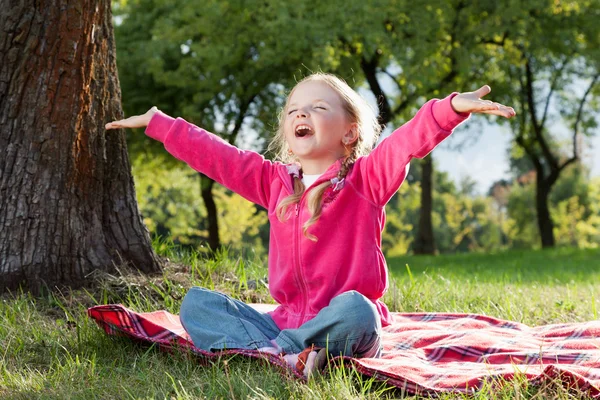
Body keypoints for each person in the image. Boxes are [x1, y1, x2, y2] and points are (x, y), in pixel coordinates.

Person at [106, 73, 515, 377]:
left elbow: (404, 143)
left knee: (360, 312)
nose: (302, 112)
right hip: (284, 321)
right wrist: (161, 123)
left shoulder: (365, 181)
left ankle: (269, 354)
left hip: (341, 324)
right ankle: (288, 355)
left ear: (350, 132)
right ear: (287, 131)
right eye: (294, 109)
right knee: (197, 303)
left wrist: (450, 109)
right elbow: (220, 157)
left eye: (319, 107)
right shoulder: (272, 182)